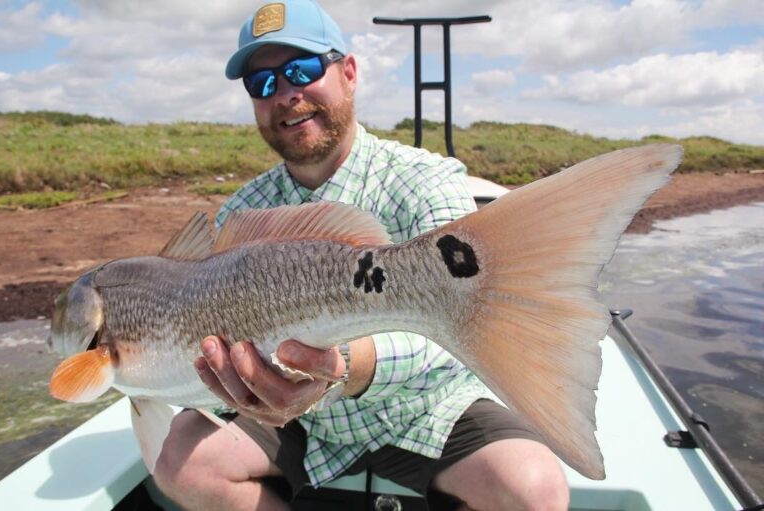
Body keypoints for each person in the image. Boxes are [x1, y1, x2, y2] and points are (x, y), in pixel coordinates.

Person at [154, 1, 569, 509]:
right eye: (262, 84)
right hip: (298, 421)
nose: (285, 94)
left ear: (348, 73)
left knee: (534, 489)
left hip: (423, 409)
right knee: (180, 463)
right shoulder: (240, 214)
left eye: (301, 70)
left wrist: (344, 364)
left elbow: (466, 322)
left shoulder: (425, 179)